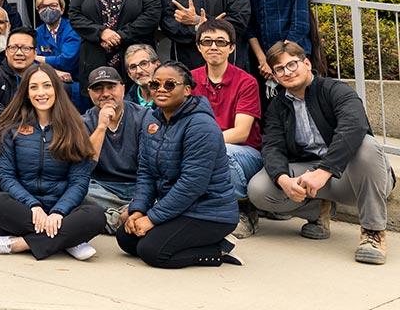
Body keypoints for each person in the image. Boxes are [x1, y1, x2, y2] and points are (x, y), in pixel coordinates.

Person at [248, 41, 394, 265]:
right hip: (312, 179)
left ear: (306, 63)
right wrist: (283, 179)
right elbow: (272, 146)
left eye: (292, 65)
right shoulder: (277, 106)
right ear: (274, 76)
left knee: (366, 146)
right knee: (259, 189)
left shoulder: (335, 90)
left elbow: (353, 127)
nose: (287, 72)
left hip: (351, 177)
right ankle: (318, 211)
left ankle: (373, 233)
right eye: (279, 69)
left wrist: (324, 170)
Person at [118, 61, 242, 268]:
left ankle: (218, 249)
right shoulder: (152, 120)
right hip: (180, 208)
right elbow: (146, 173)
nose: (160, 90)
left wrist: (153, 219)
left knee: (152, 251)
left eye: (169, 85)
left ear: (186, 90)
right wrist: (138, 210)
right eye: (155, 84)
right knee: (126, 238)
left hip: (209, 212)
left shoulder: (201, 125)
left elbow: (192, 184)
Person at [0, 63, 104, 260]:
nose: (41, 93)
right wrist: (33, 205)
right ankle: (68, 239)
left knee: (96, 216)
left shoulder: (75, 128)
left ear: (56, 89)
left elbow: (79, 181)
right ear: (26, 92)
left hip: (63, 210)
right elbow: (6, 176)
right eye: (34, 87)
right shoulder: (10, 128)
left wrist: (58, 212)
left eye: (47, 86)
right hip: (25, 210)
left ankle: (17, 244)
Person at [191, 19, 264, 238]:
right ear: (199, 46)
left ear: (231, 47)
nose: (214, 47)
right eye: (207, 41)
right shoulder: (190, 79)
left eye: (221, 42)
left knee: (223, 151)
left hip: (244, 153)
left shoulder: (246, 82)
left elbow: (241, 133)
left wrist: (202, 144)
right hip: (205, 149)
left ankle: (242, 209)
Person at [81, 66, 150, 234]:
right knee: (74, 190)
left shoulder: (144, 116)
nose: (105, 93)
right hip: (103, 189)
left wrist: (139, 201)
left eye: (111, 87)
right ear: (89, 93)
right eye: (98, 88)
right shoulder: (83, 122)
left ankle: (111, 219)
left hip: (138, 186)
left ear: (123, 87)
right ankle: (124, 218)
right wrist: (101, 127)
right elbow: (84, 168)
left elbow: (149, 168)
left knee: (167, 193)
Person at [34, 0, 80, 83]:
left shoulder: (72, 29)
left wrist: (38, 58)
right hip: (47, 80)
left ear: (62, 9)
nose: (48, 9)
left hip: (73, 83)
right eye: (43, 6)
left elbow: (66, 61)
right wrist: (55, 72)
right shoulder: (37, 33)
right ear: (38, 11)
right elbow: (32, 64)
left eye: (53, 6)